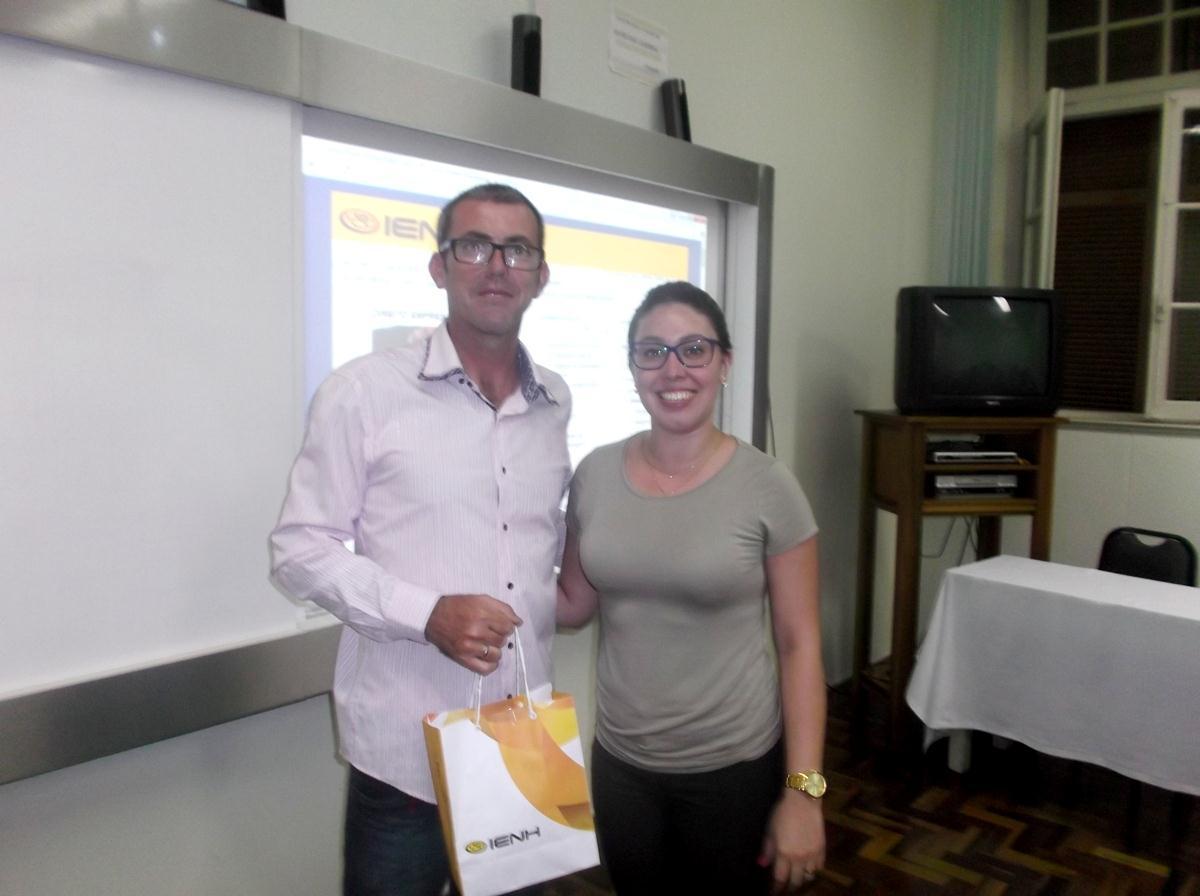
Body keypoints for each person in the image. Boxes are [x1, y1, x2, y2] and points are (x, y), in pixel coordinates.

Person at [270, 183, 571, 896]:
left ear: (540, 275)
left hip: (522, 741)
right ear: (440, 267)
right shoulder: (364, 392)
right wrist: (427, 613)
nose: (496, 266)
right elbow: (299, 549)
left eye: (517, 250)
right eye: (474, 246)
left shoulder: (554, 400)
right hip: (405, 755)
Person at [557, 281, 826, 894]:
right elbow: (573, 604)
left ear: (724, 363)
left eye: (694, 349)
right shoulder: (595, 474)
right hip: (622, 766)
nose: (672, 369)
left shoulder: (768, 486)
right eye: (652, 351)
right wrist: (465, 578)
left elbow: (800, 645)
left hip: (733, 769)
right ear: (633, 367)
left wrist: (805, 793)